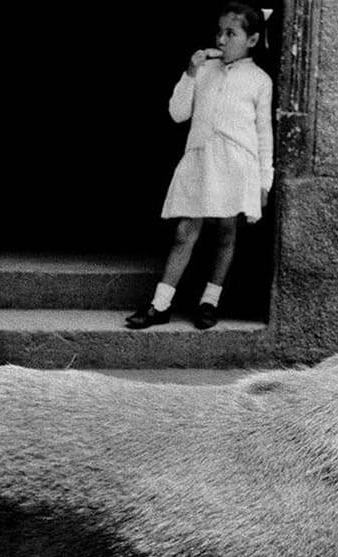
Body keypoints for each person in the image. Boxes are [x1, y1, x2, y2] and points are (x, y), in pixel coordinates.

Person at [126, 3, 273, 331]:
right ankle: (160, 304)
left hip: (236, 163)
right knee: (185, 231)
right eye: (219, 32)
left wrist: (265, 180)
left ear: (251, 40)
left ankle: (210, 301)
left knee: (225, 232)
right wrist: (190, 72)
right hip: (201, 158)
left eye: (231, 33)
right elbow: (177, 113)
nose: (222, 39)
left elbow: (264, 133)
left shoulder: (259, 81)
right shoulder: (204, 71)